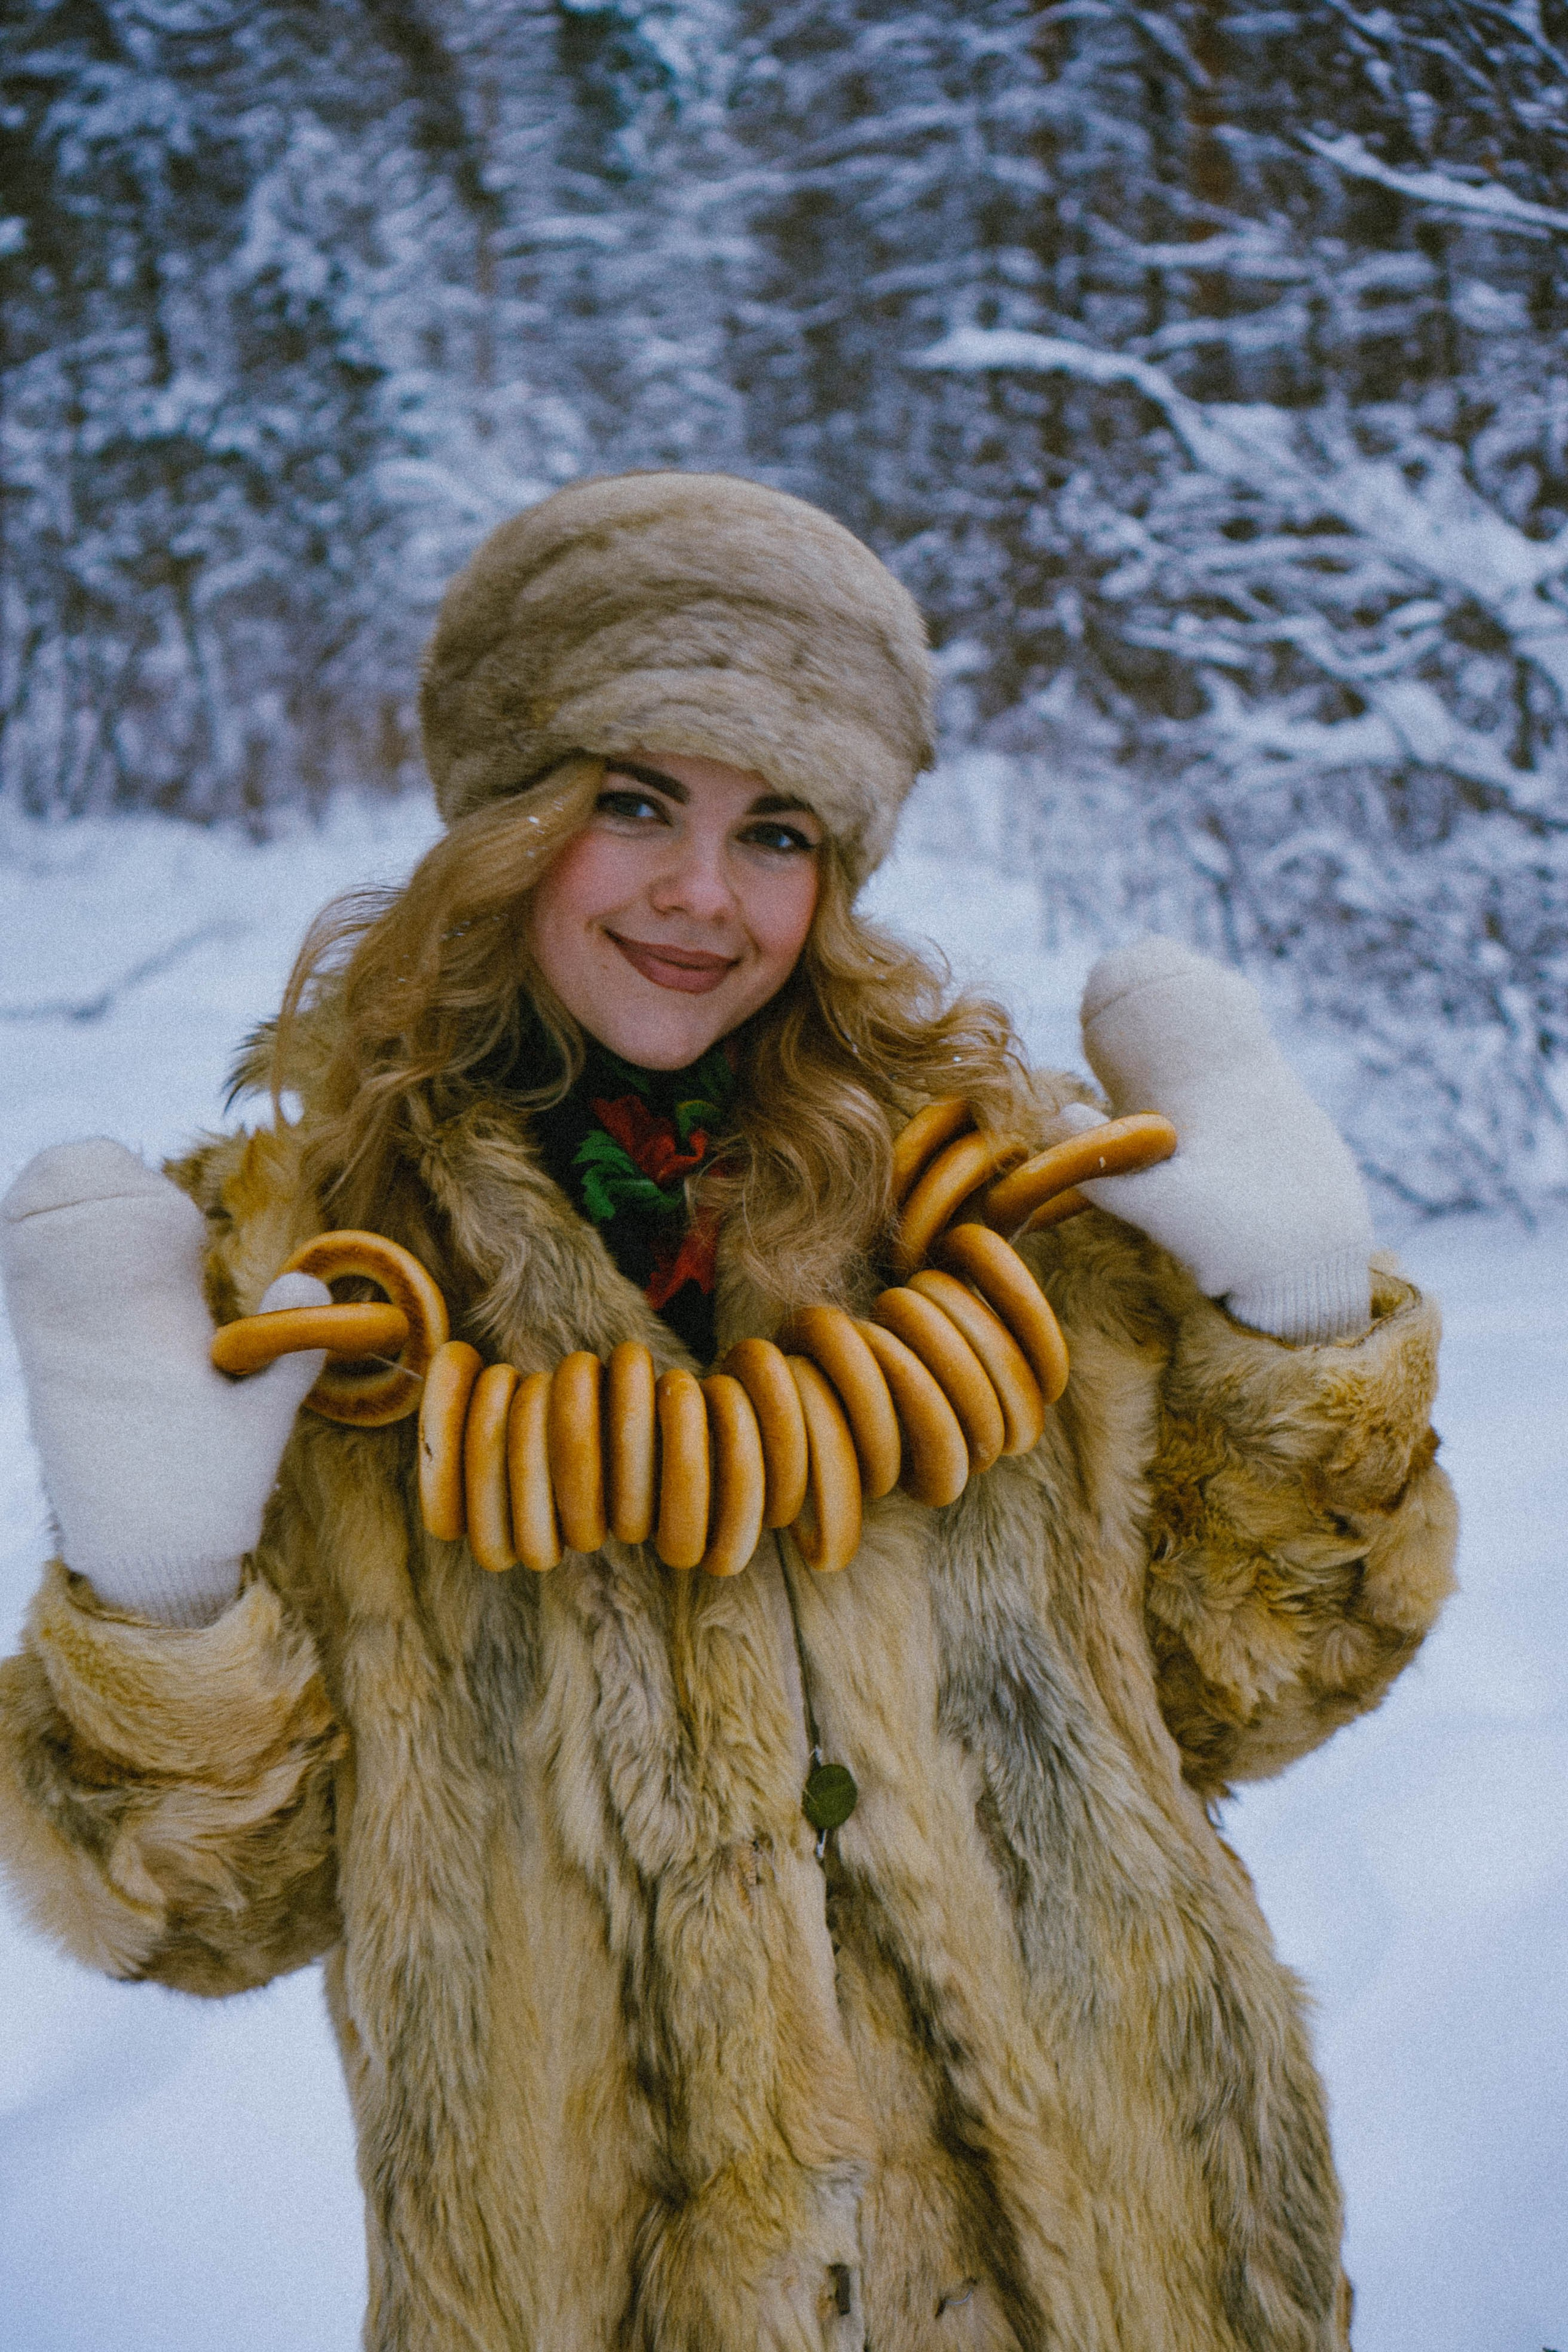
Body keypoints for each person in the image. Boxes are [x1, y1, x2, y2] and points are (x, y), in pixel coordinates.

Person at [0, 473, 1456, 2351]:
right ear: (507, 820)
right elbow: (204, 1917)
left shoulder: (999, 1221)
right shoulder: (296, 1294)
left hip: (1141, 2266)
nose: (704, 895)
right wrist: (158, 1601)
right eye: (634, 803)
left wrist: (1301, 1341)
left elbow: (1251, 1683)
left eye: (776, 831)